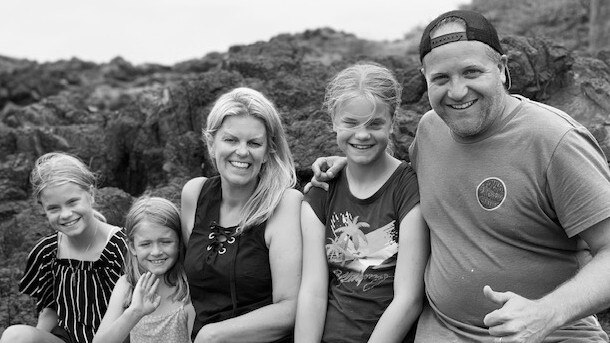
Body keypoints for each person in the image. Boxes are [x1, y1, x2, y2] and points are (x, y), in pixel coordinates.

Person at [310, 10, 610, 343]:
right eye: (441, 78)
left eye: (471, 72)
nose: (456, 91)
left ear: (502, 70)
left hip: (547, 334)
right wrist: (351, 162)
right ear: (425, 80)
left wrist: (547, 313)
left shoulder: (555, 141)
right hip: (442, 329)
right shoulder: (429, 131)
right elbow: (395, 180)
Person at [295, 63, 428, 343]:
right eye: (350, 123)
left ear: (392, 122)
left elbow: (409, 299)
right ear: (333, 121)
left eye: (375, 124)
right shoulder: (321, 192)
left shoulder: (407, 188)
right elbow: (312, 291)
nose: (362, 134)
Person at [181, 87, 302, 343]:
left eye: (254, 143)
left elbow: (289, 309)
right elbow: (193, 291)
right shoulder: (194, 193)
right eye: (231, 140)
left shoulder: (285, 204)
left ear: (269, 150)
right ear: (211, 143)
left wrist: (212, 335)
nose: (242, 152)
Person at [0, 152, 127, 343]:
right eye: (54, 208)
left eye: (72, 202)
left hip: (114, 339)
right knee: (15, 336)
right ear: (43, 208)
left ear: (90, 194)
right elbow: (49, 311)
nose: (65, 214)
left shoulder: (122, 247)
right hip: (67, 338)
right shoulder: (48, 251)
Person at [93, 196, 195, 343]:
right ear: (133, 247)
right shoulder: (127, 286)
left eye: (166, 242)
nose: (156, 252)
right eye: (146, 244)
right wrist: (135, 312)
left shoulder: (187, 288)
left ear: (179, 241)